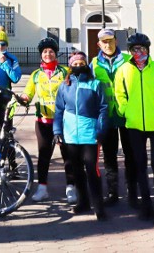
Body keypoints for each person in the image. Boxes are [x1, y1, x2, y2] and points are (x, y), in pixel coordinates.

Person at [114, 32, 154, 226]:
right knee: (140, 165)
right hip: (134, 125)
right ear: (130, 51)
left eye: (142, 48)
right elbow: (119, 94)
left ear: (147, 50)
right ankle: (146, 205)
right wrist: (126, 111)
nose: (138, 52)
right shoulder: (123, 70)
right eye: (134, 49)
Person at [18, 37, 74, 203]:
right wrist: (23, 98)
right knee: (44, 155)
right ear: (41, 55)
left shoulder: (64, 72)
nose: (48, 54)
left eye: (51, 51)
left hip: (63, 121)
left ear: (55, 54)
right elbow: (28, 92)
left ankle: (71, 187)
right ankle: (42, 188)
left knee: (67, 155)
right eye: (45, 52)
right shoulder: (36, 75)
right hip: (43, 122)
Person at [54, 51, 108, 221]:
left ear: (86, 64)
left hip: (89, 135)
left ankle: (99, 206)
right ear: (70, 66)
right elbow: (59, 110)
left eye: (81, 63)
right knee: (77, 171)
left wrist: (100, 130)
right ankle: (83, 202)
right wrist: (57, 131)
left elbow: (103, 109)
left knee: (93, 171)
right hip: (70, 136)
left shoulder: (96, 84)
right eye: (75, 64)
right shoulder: (64, 85)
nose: (78, 66)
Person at [90, 28, 135, 207]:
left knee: (131, 155)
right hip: (106, 116)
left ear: (116, 41)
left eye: (110, 40)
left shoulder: (127, 60)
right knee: (109, 157)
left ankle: (132, 191)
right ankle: (112, 192)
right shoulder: (93, 63)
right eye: (104, 41)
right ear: (99, 44)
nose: (107, 44)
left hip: (127, 115)